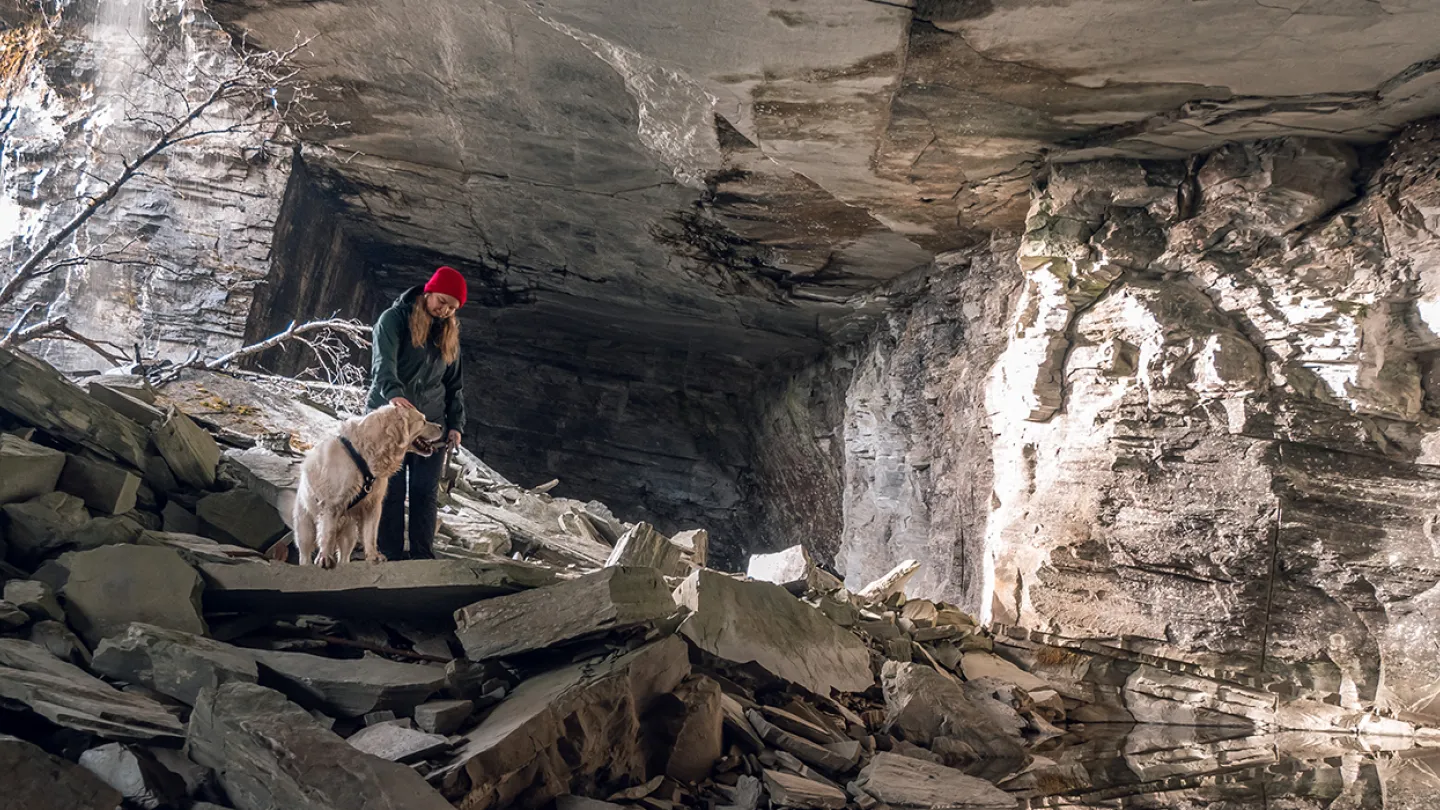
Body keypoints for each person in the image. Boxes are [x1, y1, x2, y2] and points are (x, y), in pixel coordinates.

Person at [367, 266, 467, 560]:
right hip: (392, 422)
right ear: (429, 292)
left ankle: (423, 556)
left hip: (431, 426)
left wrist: (455, 424)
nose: (444, 309)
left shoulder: (449, 336)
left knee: (425, 492)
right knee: (390, 491)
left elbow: (454, 386)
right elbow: (383, 365)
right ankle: (389, 555)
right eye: (441, 300)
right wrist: (395, 394)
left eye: (452, 306)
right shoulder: (393, 320)